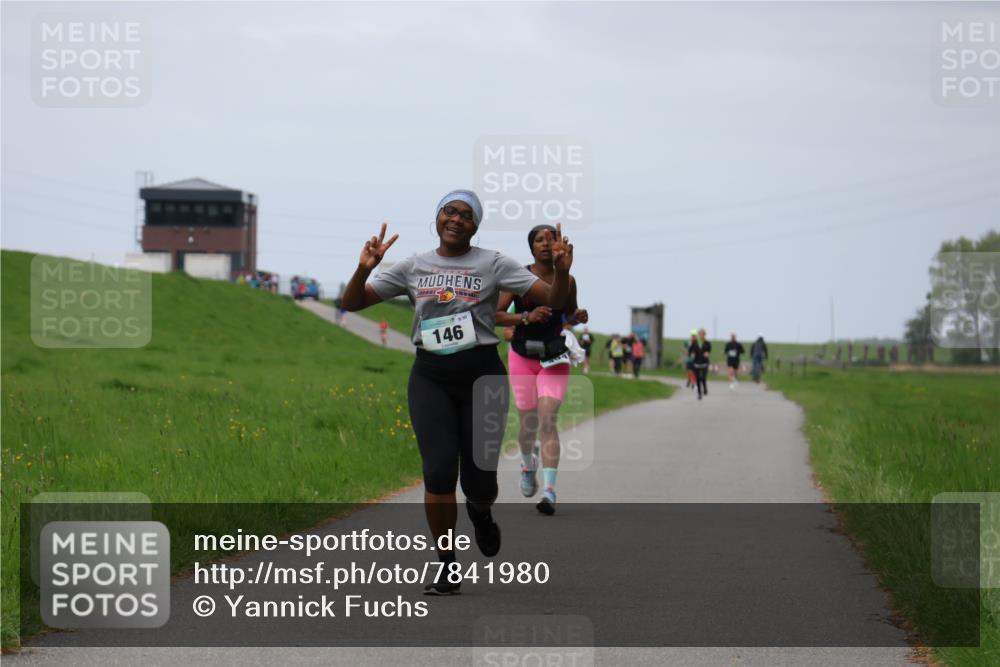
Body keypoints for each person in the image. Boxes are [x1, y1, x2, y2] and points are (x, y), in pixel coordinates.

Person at [340, 190, 573, 595]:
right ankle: (447, 564)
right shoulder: (413, 265)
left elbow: (554, 301)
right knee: (439, 473)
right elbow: (353, 302)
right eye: (450, 211)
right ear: (438, 217)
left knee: (479, 484)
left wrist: (563, 272)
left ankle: (480, 513)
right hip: (430, 376)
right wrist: (364, 269)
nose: (457, 219)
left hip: (482, 375)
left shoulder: (494, 262)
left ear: (476, 226)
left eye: (467, 215)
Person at [496, 224, 588, 516]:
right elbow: (495, 316)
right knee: (528, 424)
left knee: (547, 419)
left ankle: (549, 491)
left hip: (554, 357)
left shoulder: (568, 279)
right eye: (539, 240)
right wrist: (526, 316)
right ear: (532, 247)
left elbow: (568, 313)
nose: (546, 244)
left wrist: (577, 316)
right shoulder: (516, 278)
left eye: (551, 239)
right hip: (523, 356)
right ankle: (527, 464)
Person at [689, 328, 711, 400]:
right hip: (697, 363)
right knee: (698, 379)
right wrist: (691, 354)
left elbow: (708, 351)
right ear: (698, 335)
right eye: (700, 334)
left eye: (702, 334)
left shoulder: (707, 343)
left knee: (703, 378)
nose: (701, 335)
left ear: (705, 335)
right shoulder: (694, 342)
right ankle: (699, 393)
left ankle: (705, 388)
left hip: (704, 363)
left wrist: (707, 354)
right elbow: (690, 351)